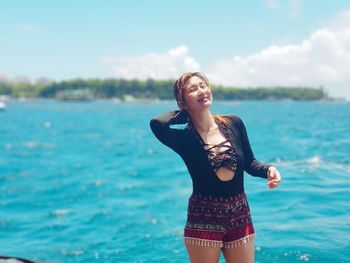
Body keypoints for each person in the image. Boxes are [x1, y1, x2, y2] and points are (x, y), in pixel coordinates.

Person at [149, 72, 281, 263]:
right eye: (193, 89)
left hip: (239, 212)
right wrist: (184, 114)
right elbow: (157, 124)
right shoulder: (184, 139)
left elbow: (250, 163)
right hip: (204, 216)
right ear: (182, 100)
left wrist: (268, 170)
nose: (201, 91)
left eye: (203, 86)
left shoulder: (234, 123)